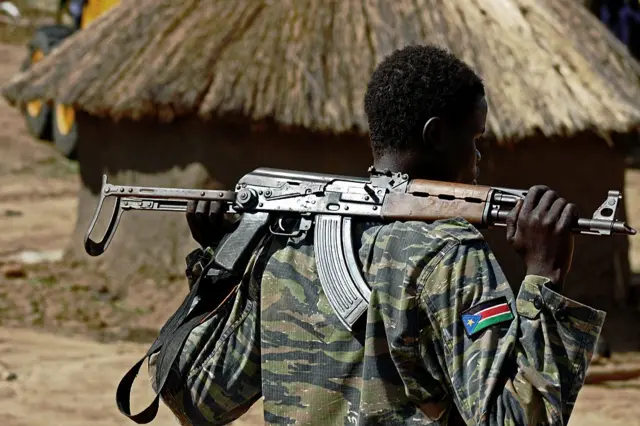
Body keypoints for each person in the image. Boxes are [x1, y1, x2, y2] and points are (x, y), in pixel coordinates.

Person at [184, 45, 605, 425]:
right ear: (437, 135)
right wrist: (543, 282)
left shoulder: (285, 244)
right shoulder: (449, 252)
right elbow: (515, 421)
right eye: (474, 138)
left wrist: (214, 272)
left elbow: (197, 399)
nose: (478, 157)